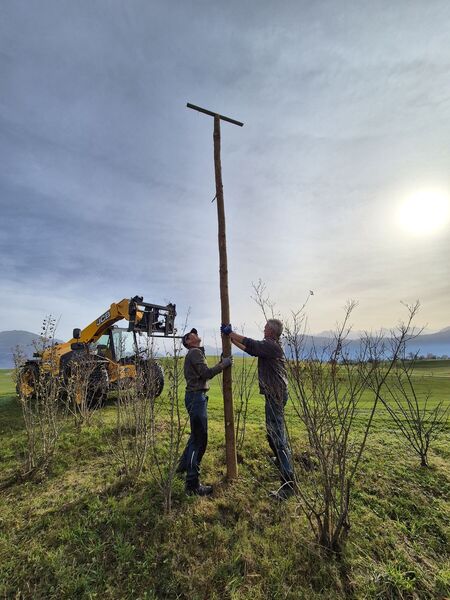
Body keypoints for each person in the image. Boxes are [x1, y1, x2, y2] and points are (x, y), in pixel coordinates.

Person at [221, 320, 295, 499]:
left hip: (276, 395)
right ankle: (280, 460)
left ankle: (288, 484)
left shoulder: (271, 346)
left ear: (271, 331)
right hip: (275, 394)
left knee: (278, 437)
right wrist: (232, 340)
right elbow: (251, 350)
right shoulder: (269, 347)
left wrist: (231, 333)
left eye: (266, 327)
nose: (263, 328)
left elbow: (252, 344)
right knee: (272, 434)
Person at [178, 327, 233, 496]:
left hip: (195, 397)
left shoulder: (195, 352)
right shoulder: (194, 352)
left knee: (195, 437)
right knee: (199, 441)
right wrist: (224, 364)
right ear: (188, 341)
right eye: (192, 334)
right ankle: (192, 485)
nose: (195, 334)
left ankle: (182, 467)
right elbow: (206, 373)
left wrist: (221, 362)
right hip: (196, 398)